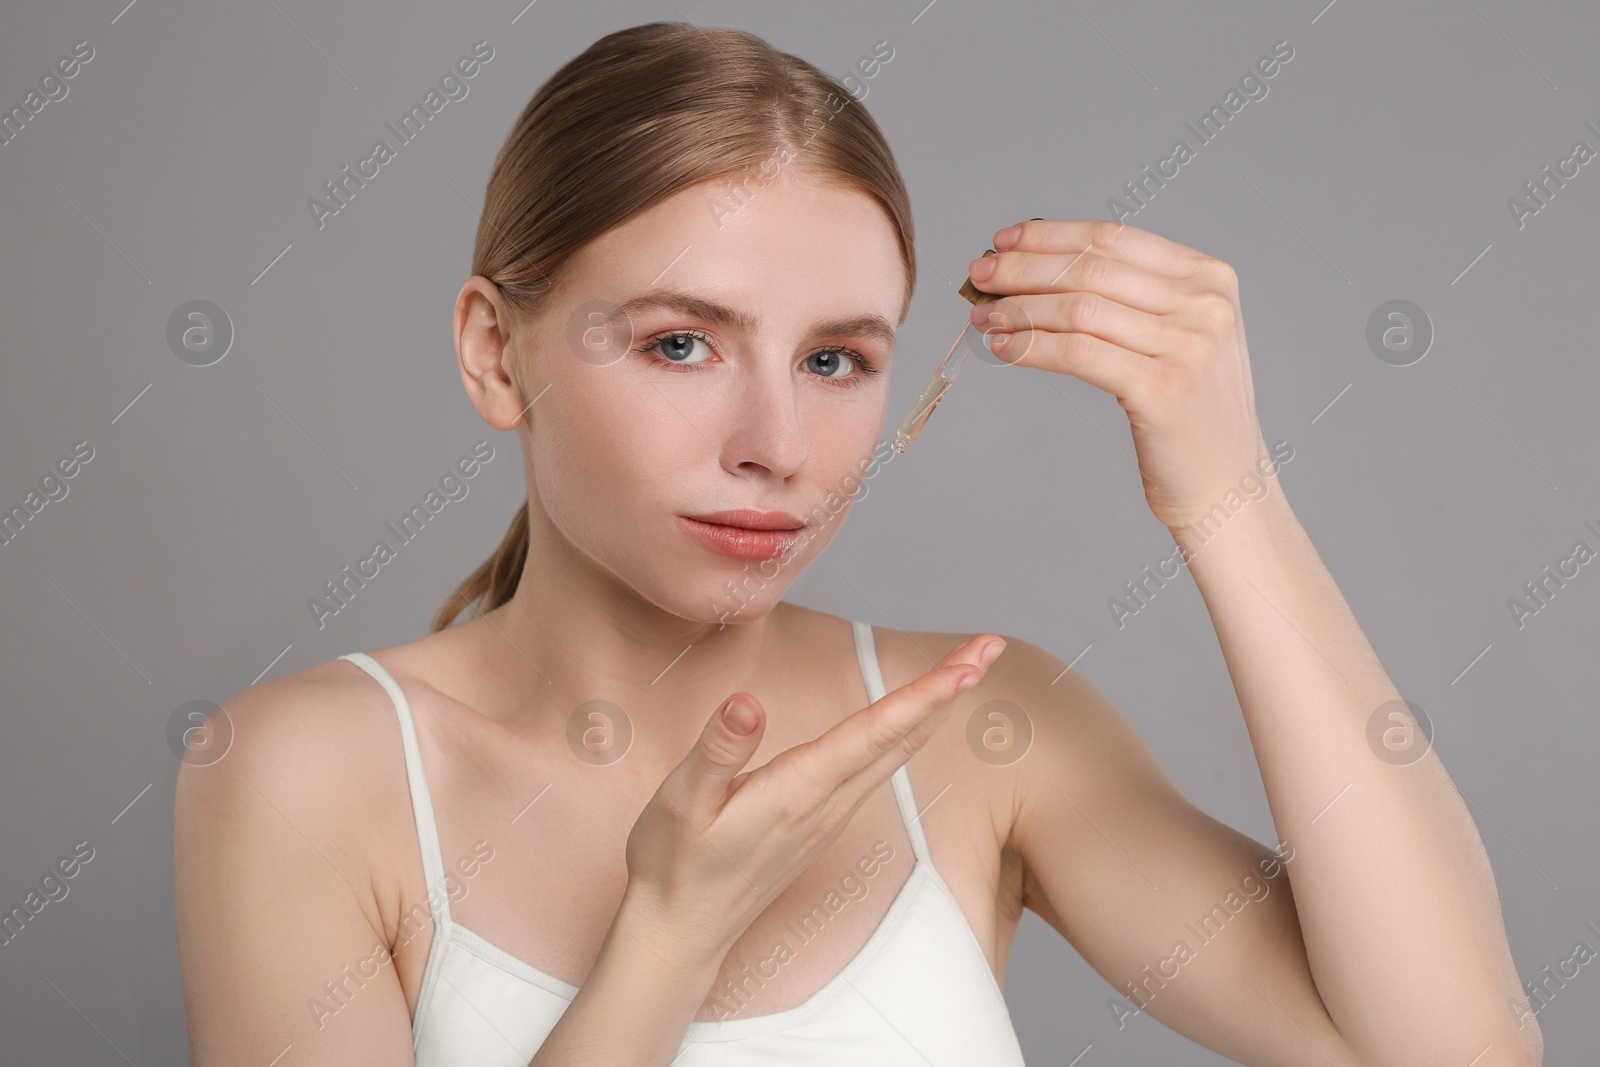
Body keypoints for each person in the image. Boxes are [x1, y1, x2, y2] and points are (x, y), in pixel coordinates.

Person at [175, 20, 1541, 1067]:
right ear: (493, 353)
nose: (775, 441)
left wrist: (1228, 493)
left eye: (834, 359)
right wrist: (665, 944)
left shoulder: (979, 727)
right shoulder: (303, 776)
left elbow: (1459, 1052)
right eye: (680, 342)